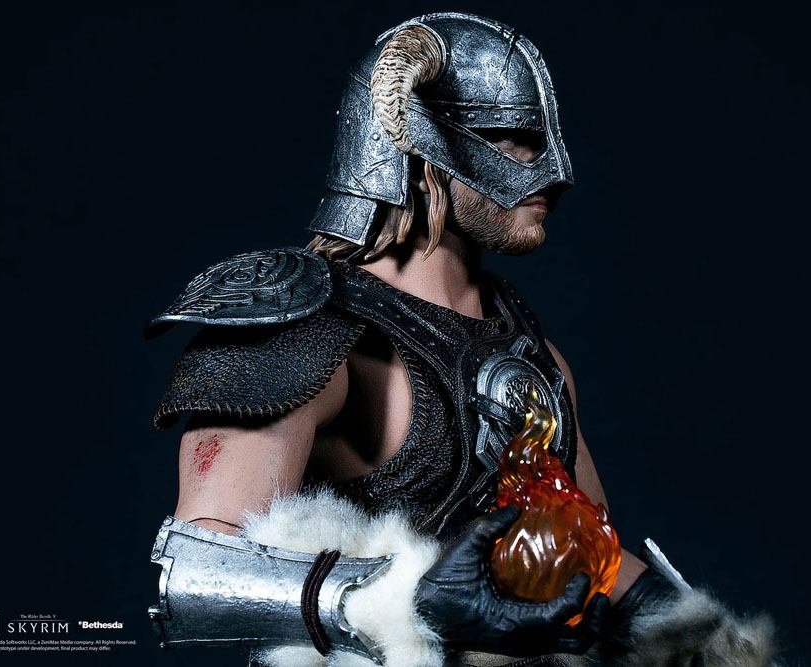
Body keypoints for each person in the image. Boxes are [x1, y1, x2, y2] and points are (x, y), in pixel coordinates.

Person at [145, 12, 777, 666]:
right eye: (512, 139)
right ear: (421, 143)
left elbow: (585, 559)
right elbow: (191, 575)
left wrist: (681, 629)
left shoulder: (533, 353)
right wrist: (404, 602)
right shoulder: (295, 323)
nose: (553, 170)